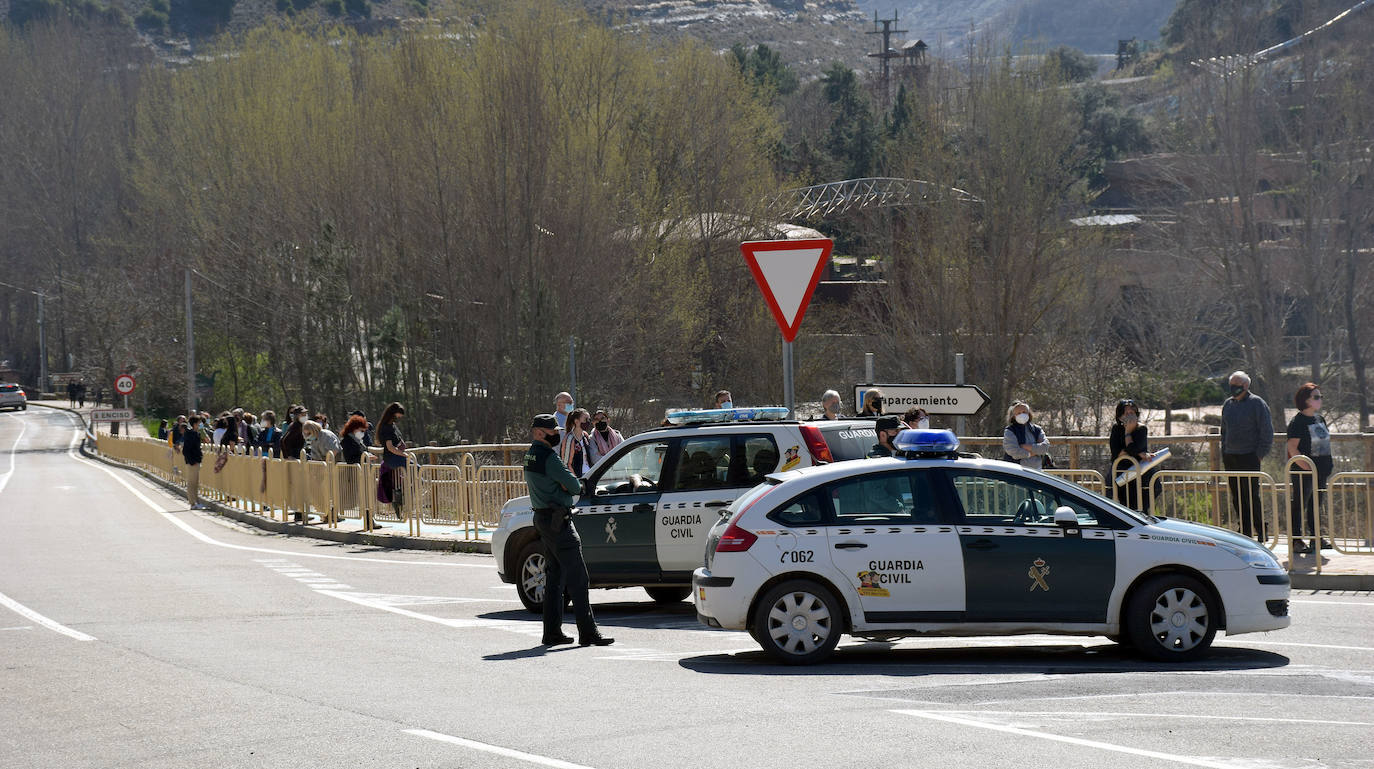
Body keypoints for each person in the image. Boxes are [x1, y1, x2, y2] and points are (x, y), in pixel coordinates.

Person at [523, 413, 613, 647]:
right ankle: (588, 632)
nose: (556, 435)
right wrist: (566, 486)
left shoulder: (531, 455)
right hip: (559, 520)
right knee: (579, 578)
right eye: (552, 432)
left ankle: (552, 632)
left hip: (543, 519)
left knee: (555, 578)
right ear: (539, 433)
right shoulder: (549, 458)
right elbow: (574, 485)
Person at [1221, 370, 1273, 540]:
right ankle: (1244, 530)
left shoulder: (1257, 403)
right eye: (1231, 385)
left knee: (1251, 495)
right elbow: (1224, 431)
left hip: (1249, 456)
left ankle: (1261, 530)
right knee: (1237, 496)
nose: (1232, 388)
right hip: (1231, 456)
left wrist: (1258, 455)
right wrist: (1224, 451)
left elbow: (1267, 432)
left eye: (1236, 385)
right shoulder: (1227, 405)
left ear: (1245, 385)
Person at [1286, 382, 1334, 554]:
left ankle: (1316, 538)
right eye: (1316, 397)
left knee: (1316, 503)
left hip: (1321, 471)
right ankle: (1296, 540)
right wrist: (1307, 467)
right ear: (1305, 400)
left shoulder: (1320, 419)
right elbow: (1292, 448)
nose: (1320, 399)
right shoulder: (1297, 422)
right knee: (1299, 503)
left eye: (1320, 396)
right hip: (1303, 470)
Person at [1109, 399, 1157, 514]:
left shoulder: (1141, 429)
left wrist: (1128, 434)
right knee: (1122, 505)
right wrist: (1137, 452)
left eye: (1132, 413)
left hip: (1140, 475)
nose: (1130, 416)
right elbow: (1116, 452)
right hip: (1121, 472)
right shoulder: (1116, 429)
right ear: (1120, 417)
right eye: (1127, 414)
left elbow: (1133, 449)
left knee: (1141, 506)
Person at [377, 402, 408, 518]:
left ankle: (400, 504)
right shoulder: (386, 428)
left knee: (399, 483)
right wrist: (403, 454)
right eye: (398, 415)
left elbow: (398, 440)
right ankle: (398, 504)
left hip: (398, 456)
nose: (399, 418)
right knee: (413, 472)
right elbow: (390, 447)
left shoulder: (393, 425)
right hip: (393, 457)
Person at [1002, 401, 1051, 469]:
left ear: (1029, 413)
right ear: (1013, 416)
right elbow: (1014, 452)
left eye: (1024, 412)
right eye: (1018, 413)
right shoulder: (1010, 431)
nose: (1022, 414)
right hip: (1016, 470)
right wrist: (1032, 453)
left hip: (1037, 469)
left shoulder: (1037, 429)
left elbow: (1045, 447)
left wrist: (1025, 446)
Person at [560, 408, 594, 477]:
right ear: (576, 421)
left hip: (588, 474)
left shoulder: (585, 436)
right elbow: (566, 464)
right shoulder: (569, 439)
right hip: (577, 477)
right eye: (585, 419)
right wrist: (575, 480)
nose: (588, 422)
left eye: (589, 419)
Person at [183, 414, 205, 510]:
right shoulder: (191, 435)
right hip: (193, 462)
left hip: (196, 461)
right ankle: (192, 503)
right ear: (195, 424)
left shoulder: (195, 434)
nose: (200, 425)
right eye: (199, 423)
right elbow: (186, 450)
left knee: (196, 483)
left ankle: (197, 501)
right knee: (192, 483)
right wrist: (192, 461)